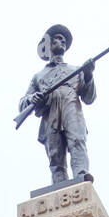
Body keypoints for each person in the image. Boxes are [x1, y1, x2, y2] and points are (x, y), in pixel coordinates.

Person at [18, 24, 96, 187]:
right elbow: (22, 104)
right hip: (51, 114)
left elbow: (89, 97)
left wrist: (88, 75)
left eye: (64, 40)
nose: (62, 41)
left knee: (77, 141)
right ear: (49, 43)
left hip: (71, 107)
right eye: (58, 38)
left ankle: (81, 175)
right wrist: (33, 98)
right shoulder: (38, 76)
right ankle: (59, 186)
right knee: (55, 156)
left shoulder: (76, 70)